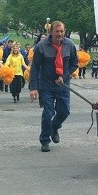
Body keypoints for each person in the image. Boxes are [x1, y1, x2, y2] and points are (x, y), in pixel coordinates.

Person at [29, 21, 78, 152]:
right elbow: (34, 68)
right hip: (46, 85)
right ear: (51, 32)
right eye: (57, 31)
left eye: (62, 31)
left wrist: (65, 76)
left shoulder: (70, 45)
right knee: (48, 113)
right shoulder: (41, 46)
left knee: (65, 111)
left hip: (63, 85)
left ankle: (54, 128)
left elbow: (74, 63)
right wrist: (33, 88)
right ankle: (45, 140)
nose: (60, 34)